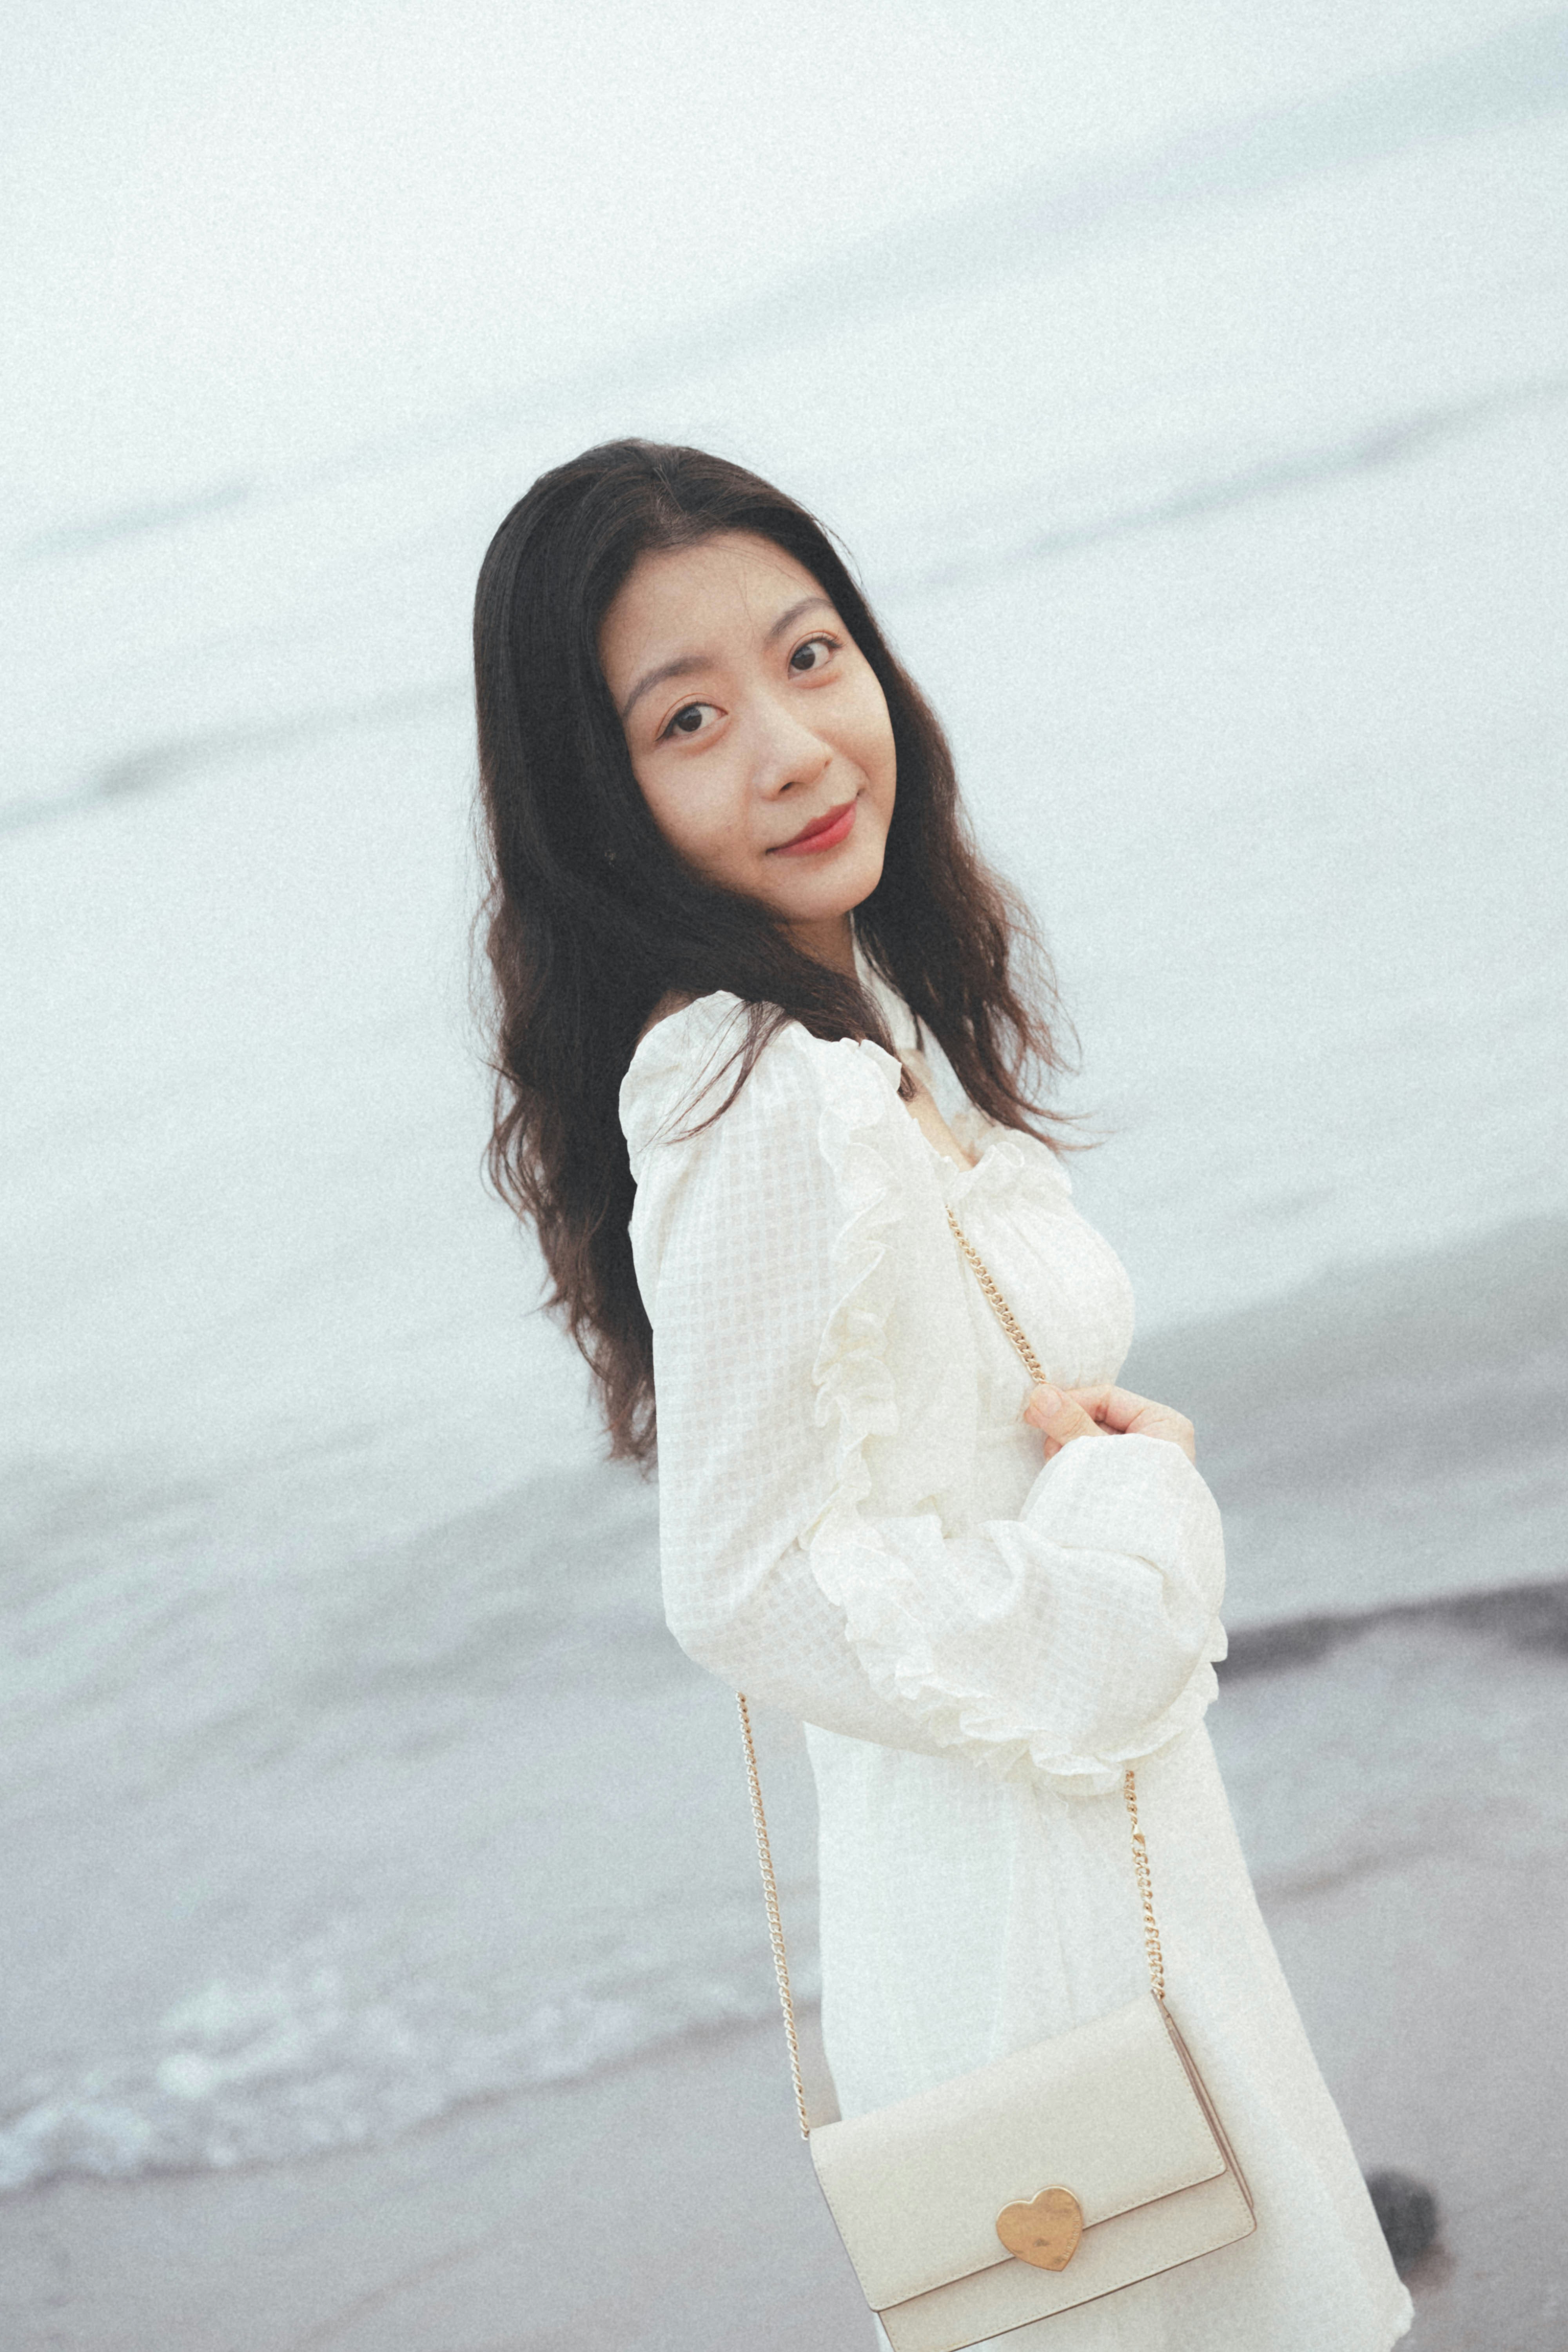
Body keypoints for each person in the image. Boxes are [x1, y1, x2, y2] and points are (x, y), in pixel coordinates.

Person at [472, 438, 1414, 2348]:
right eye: (689, 718)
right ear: (601, 804)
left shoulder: (853, 1028)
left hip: (1077, 1848)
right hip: (1030, 1900)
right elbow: (740, 1583)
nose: (800, 747)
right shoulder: (759, 1088)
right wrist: (1129, 1563)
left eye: (813, 656)